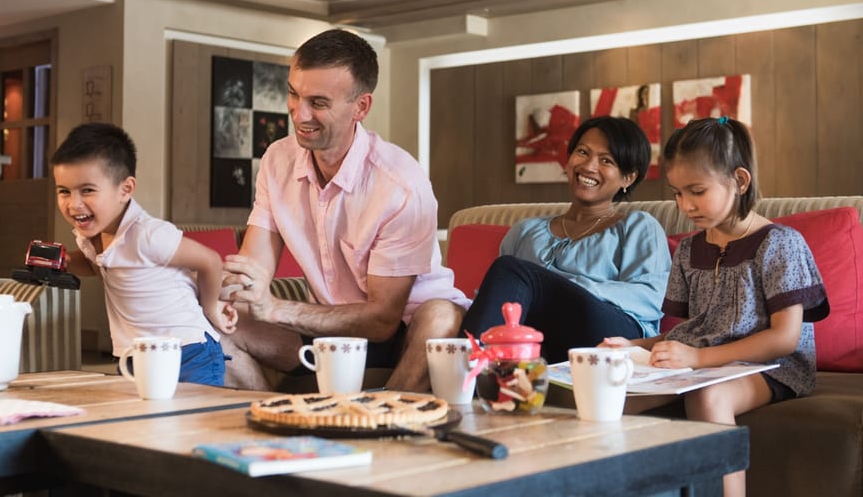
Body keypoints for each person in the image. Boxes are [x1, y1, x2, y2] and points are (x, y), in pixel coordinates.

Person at [218, 28, 470, 392]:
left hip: (403, 333)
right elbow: (250, 272)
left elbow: (383, 320)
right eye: (293, 94)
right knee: (217, 324)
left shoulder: (399, 185)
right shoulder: (277, 160)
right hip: (329, 330)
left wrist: (275, 308)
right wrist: (211, 291)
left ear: (361, 107)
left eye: (318, 103)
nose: (298, 113)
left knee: (440, 315)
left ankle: (386, 424)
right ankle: (272, 420)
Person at [602, 116, 829, 497]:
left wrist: (699, 359)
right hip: (708, 361)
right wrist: (634, 347)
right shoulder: (690, 250)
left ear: (740, 181)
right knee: (611, 396)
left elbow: (785, 338)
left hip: (773, 367)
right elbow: (691, 332)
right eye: (677, 193)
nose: (685, 205)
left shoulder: (780, 243)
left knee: (709, 396)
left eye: (697, 190)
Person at [460, 116, 671, 364]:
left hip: (607, 335)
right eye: (583, 152)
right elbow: (499, 298)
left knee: (510, 269)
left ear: (628, 178)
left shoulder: (638, 227)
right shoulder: (525, 231)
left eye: (606, 160)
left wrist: (563, 285)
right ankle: (491, 383)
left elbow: (649, 297)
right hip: (542, 335)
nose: (590, 166)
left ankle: (465, 379)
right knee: (517, 319)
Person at [50, 122, 237, 387]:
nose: (74, 204)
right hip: (136, 354)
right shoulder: (90, 237)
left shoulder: (148, 234)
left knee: (195, 419)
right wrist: (66, 262)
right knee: (143, 422)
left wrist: (211, 309)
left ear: (125, 189)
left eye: (87, 190)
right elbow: (96, 264)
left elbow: (209, 261)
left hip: (189, 351)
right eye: (64, 191)